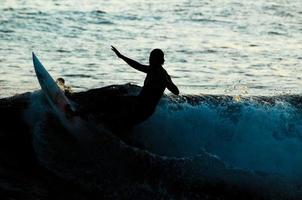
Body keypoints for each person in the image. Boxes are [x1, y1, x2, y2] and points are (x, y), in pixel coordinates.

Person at [110, 46, 179, 127]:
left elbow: (176, 91)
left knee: (116, 101)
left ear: (157, 60)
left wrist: (121, 56)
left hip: (141, 107)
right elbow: (138, 65)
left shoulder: (158, 72)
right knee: (125, 123)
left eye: (151, 58)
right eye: (150, 57)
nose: (149, 60)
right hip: (145, 109)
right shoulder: (160, 72)